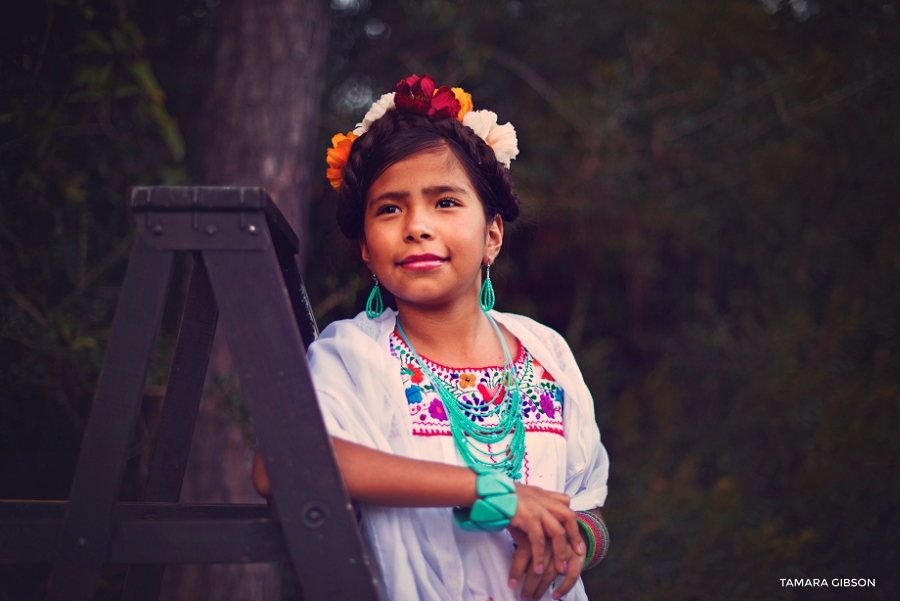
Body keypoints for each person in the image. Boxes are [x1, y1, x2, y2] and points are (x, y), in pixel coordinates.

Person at [253, 74, 609, 601]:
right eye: (390, 208)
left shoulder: (546, 352)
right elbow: (281, 464)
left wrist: (578, 536)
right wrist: (491, 490)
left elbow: (588, 504)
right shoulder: (353, 354)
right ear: (367, 249)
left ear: (492, 235)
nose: (417, 225)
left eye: (445, 202)